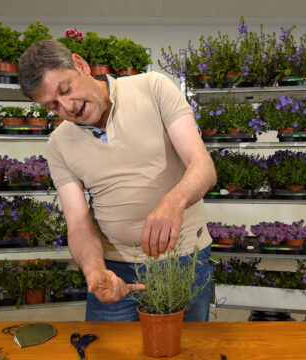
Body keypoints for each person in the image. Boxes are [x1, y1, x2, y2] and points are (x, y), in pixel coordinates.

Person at [18, 40, 216, 321]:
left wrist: (174, 200)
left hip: (185, 261)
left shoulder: (153, 87)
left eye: (66, 90)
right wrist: (94, 270)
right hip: (116, 270)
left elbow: (203, 166)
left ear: (80, 64)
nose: (68, 108)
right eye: (53, 106)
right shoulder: (59, 143)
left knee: (189, 350)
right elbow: (78, 224)